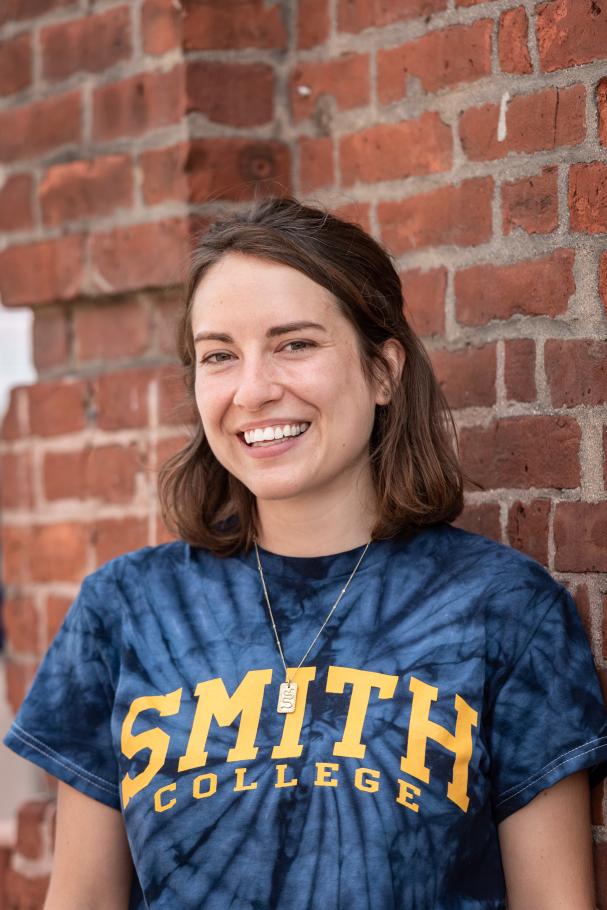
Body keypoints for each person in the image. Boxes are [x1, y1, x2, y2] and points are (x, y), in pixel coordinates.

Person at [3, 195, 607, 910]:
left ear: (383, 370)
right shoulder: (127, 608)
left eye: (294, 344)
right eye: (219, 356)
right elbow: (83, 900)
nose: (254, 390)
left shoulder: (502, 609)